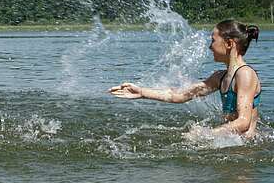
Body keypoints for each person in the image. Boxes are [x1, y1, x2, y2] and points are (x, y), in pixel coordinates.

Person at [109, 19, 261, 138]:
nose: (210, 47)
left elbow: (243, 122)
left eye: (213, 41)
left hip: (247, 148)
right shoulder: (219, 77)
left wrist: (206, 134)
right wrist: (142, 92)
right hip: (233, 143)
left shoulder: (245, 74)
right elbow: (180, 95)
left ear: (229, 44)